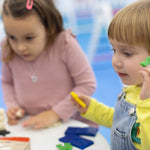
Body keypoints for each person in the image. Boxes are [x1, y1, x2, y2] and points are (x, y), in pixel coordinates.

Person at [0, 0, 97, 129]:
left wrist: (55, 113)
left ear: (49, 29)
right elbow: (7, 81)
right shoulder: (7, 48)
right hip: (30, 122)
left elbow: (87, 84)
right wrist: (12, 105)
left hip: (70, 122)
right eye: (12, 37)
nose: (20, 47)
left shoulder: (65, 44)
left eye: (29, 38)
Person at [71, 0, 150, 150]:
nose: (116, 61)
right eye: (114, 50)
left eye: (127, 53)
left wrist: (146, 103)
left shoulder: (146, 98)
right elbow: (121, 122)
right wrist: (92, 108)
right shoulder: (133, 88)